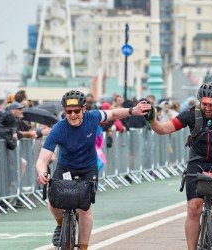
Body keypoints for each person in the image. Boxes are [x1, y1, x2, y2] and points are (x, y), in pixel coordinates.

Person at [35, 90, 151, 250]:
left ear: (84, 109)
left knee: (85, 208)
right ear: (64, 111)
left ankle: (83, 246)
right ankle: (61, 223)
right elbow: (42, 159)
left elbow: (113, 114)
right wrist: (42, 172)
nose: (73, 115)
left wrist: (133, 111)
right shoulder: (58, 129)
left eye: (77, 111)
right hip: (65, 168)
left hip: (87, 169)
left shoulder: (93, 117)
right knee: (53, 200)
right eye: (69, 112)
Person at [146, 82, 212, 249]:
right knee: (194, 208)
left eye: (211, 104)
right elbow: (163, 129)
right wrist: (152, 119)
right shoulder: (190, 114)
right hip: (197, 161)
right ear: (199, 101)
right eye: (204, 104)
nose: (208, 108)